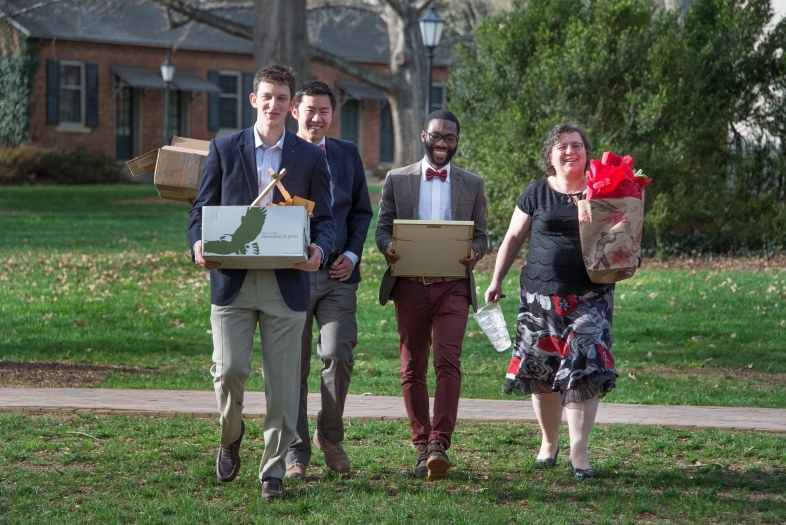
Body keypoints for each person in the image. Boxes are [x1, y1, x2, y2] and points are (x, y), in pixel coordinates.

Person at [187, 64, 336, 500]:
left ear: (292, 107)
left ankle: (272, 469)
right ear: (254, 100)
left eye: (282, 98)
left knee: (284, 384)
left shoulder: (309, 158)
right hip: (232, 282)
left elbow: (325, 219)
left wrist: (319, 251)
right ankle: (231, 434)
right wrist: (198, 244)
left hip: (286, 283)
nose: (274, 105)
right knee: (229, 370)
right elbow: (200, 211)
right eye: (266, 96)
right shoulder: (223, 148)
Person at [484, 122, 638, 479]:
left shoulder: (605, 190)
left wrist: (629, 257)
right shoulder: (536, 193)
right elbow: (512, 237)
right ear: (550, 157)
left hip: (590, 297)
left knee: (584, 367)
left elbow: (627, 236)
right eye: (562, 147)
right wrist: (496, 279)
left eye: (577, 145)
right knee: (541, 371)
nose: (570, 151)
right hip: (539, 297)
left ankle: (579, 454)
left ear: (587, 153)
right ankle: (549, 443)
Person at [375, 109, 488, 481]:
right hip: (409, 283)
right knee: (412, 367)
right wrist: (389, 246)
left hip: (453, 286)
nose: (442, 144)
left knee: (448, 362)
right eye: (436, 136)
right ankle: (420, 444)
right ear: (424, 135)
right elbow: (382, 230)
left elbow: (483, 236)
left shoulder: (472, 184)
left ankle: (440, 442)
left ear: (457, 141)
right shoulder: (397, 179)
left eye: (449, 138)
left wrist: (476, 253)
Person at [284, 81, 373, 478]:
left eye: (324, 111)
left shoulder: (347, 154)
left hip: (338, 275)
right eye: (310, 110)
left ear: (332, 115)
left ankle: (330, 435)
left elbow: (360, 212)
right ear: (295, 112)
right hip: (291, 277)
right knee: (294, 366)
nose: (317, 118)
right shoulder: (281, 154)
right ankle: (295, 451)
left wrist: (352, 256)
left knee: (338, 355)